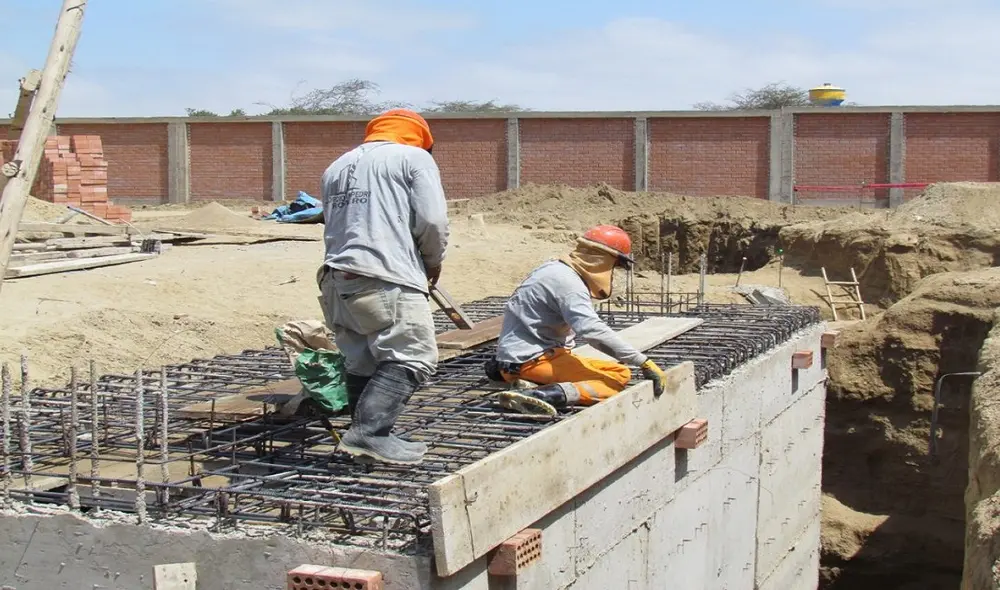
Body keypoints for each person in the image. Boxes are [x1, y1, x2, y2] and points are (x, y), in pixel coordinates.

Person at [316, 108, 449, 465]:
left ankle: (369, 436)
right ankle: (369, 434)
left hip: (337, 278)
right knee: (413, 356)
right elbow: (433, 221)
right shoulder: (413, 158)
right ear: (420, 138)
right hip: (387, 275)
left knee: (362, 360)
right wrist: (433, 261)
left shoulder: (336, 166)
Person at [486, 225, 671, 416]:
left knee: (621, 372)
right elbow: (591, 330)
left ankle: (526, 383)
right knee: (612, 385)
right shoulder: (568, 283)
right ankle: (545, 395)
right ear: (602, 259)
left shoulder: (555, 269)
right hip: (531, 361)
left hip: (525, 356)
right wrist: (643, 361)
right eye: (615, 264)